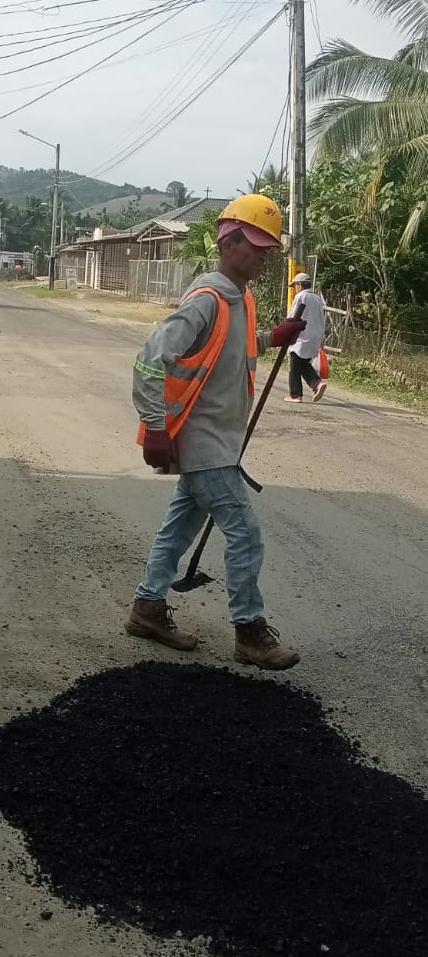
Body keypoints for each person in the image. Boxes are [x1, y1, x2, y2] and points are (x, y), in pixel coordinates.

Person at [127, 194, 306, 671]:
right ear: (228, 242)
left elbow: (233, 348)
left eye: (269, 248)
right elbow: (150, 359)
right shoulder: (206, 299)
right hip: (203, 442)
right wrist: (155, 425)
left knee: (178, 528)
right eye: (256, 245)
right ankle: (249, 631)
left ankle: (148, 606)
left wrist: (273, 338)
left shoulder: (239, 298)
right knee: (245, 533)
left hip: (219, 441)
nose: (265, 255)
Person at [285, 271, 327, 403]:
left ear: (300, 285)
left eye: (295, 286)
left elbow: (292, 316)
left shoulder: (301, 297)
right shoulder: (317, 298)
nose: (295, 289)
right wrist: (322, 337)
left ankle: (295, 394)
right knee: (302, 363)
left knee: (295, 365)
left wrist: (285, 329)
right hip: (315, 335)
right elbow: (321, 318)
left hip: (302, 336)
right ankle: (317, 384)